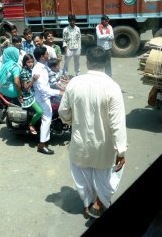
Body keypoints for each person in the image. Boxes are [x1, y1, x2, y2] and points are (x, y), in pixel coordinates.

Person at [58, 46, 127, 219]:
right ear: (105, 62)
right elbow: (117, 122)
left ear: (87, 62)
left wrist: (71, 121)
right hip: (104, 146)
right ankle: (100, 202)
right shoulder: (112, 87)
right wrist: (121, 150)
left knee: (82, 176)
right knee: (104, 176)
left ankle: (88, 203)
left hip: (79, 143)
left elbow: (63, 112)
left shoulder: (74, 83)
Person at [32, 46, 63, 155]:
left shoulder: (44, 66)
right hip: (41, 98)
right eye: (46, 54)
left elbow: (52, 78)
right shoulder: (37, 70)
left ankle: (46, 138)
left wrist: (61, 86)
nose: (48, 55)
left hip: (46, 96)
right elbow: (42, 89)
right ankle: (42, 144)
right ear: (42, 56)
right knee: (47, 119)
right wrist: (58, 92)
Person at [20, 54, 43, 135]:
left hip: (35, 92)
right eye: (28, 62)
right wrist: (33, 80)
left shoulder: (32, 69)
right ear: (25, 62)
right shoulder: (23, 72)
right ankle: (31, 125)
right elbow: (26, 88)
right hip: (28, 96)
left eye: (32, 62)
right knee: (40, 111)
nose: (30, 64)